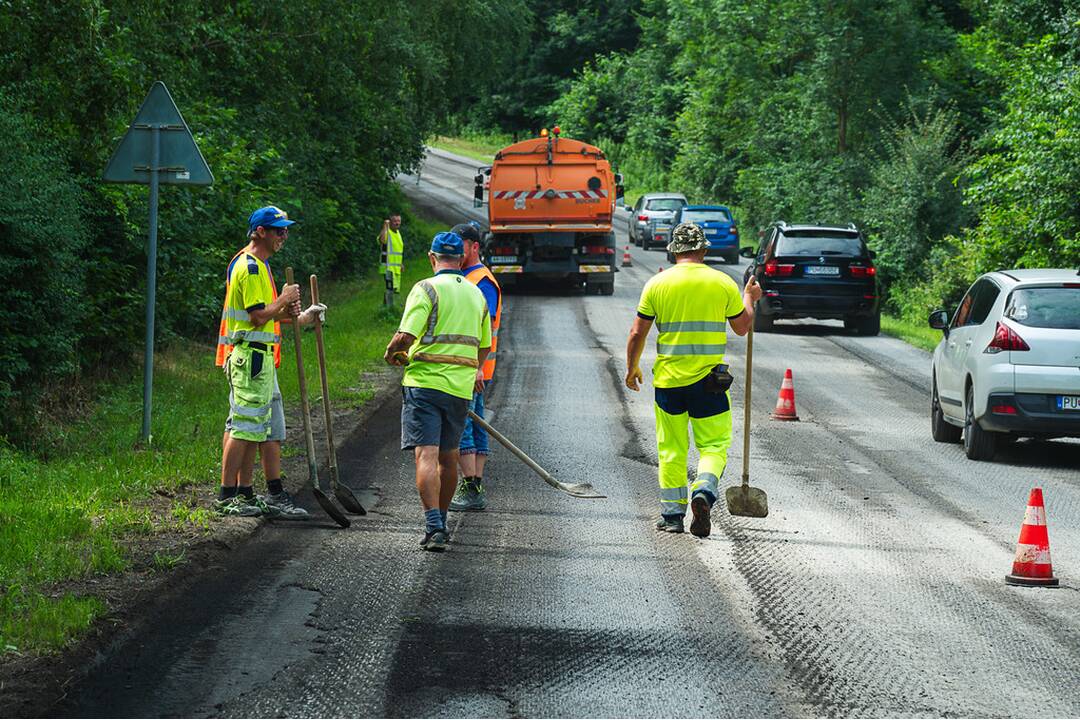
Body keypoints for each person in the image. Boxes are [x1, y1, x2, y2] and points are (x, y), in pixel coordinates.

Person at [624, 223, 762, 537]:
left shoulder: (657, 284)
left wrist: (632, 368)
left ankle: (672, 517)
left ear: (674, 250)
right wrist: (750, 297)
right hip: (709, 384)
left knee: (671, 450)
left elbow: (636, 333)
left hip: (669, 383)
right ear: (703, 250)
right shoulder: (722, 282)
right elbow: (742, 327)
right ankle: (704, 490)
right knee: (713, 445)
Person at [384, 231, 492, 552]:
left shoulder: (426, 289)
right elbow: (483, 346)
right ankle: (442, 522)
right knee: (448, 458)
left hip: (425, 386)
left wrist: (391, 353)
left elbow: (406, 336)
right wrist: (471, 370)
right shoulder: (476, 295)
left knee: (426, 454)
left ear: (433, 259)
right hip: (460, 389)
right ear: (460, 259)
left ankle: (433, 527)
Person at [217, 206, 326, 518]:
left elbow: (269, 317)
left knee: (254, 428)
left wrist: (301, 316)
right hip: (249, 357)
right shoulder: (250, 268)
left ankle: (245, 494)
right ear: (260, 232)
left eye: (286, 230)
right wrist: (284, 298)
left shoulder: (260, 266)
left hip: (259, 358)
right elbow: (257, 316)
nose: (284, 236)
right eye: (278, 230)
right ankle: (227, 496)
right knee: (244, 426)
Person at [449, 221, 501, 512]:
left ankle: (470, 485)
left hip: (473, 369)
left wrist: (476, 367)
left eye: (461, 245)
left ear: (474, 246)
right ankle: (475, 483)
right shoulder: (465, 277)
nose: (457, 250)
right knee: (475, 423)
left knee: (464, 425)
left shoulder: (480, 280)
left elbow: (482, 326)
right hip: (473, 368)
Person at [377, 213, 404, 294]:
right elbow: (382, 240)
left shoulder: (398, 233)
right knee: (390, 290)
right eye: (395, 221)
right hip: (387, 266)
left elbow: (397, 250)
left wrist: (401, 263)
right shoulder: (387, 232)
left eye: (399, 221)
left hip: (396, 267)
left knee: (394, 291)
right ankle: (387, 306)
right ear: (390, 222)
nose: (397, 223)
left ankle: (390, 306)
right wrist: (385, 226)